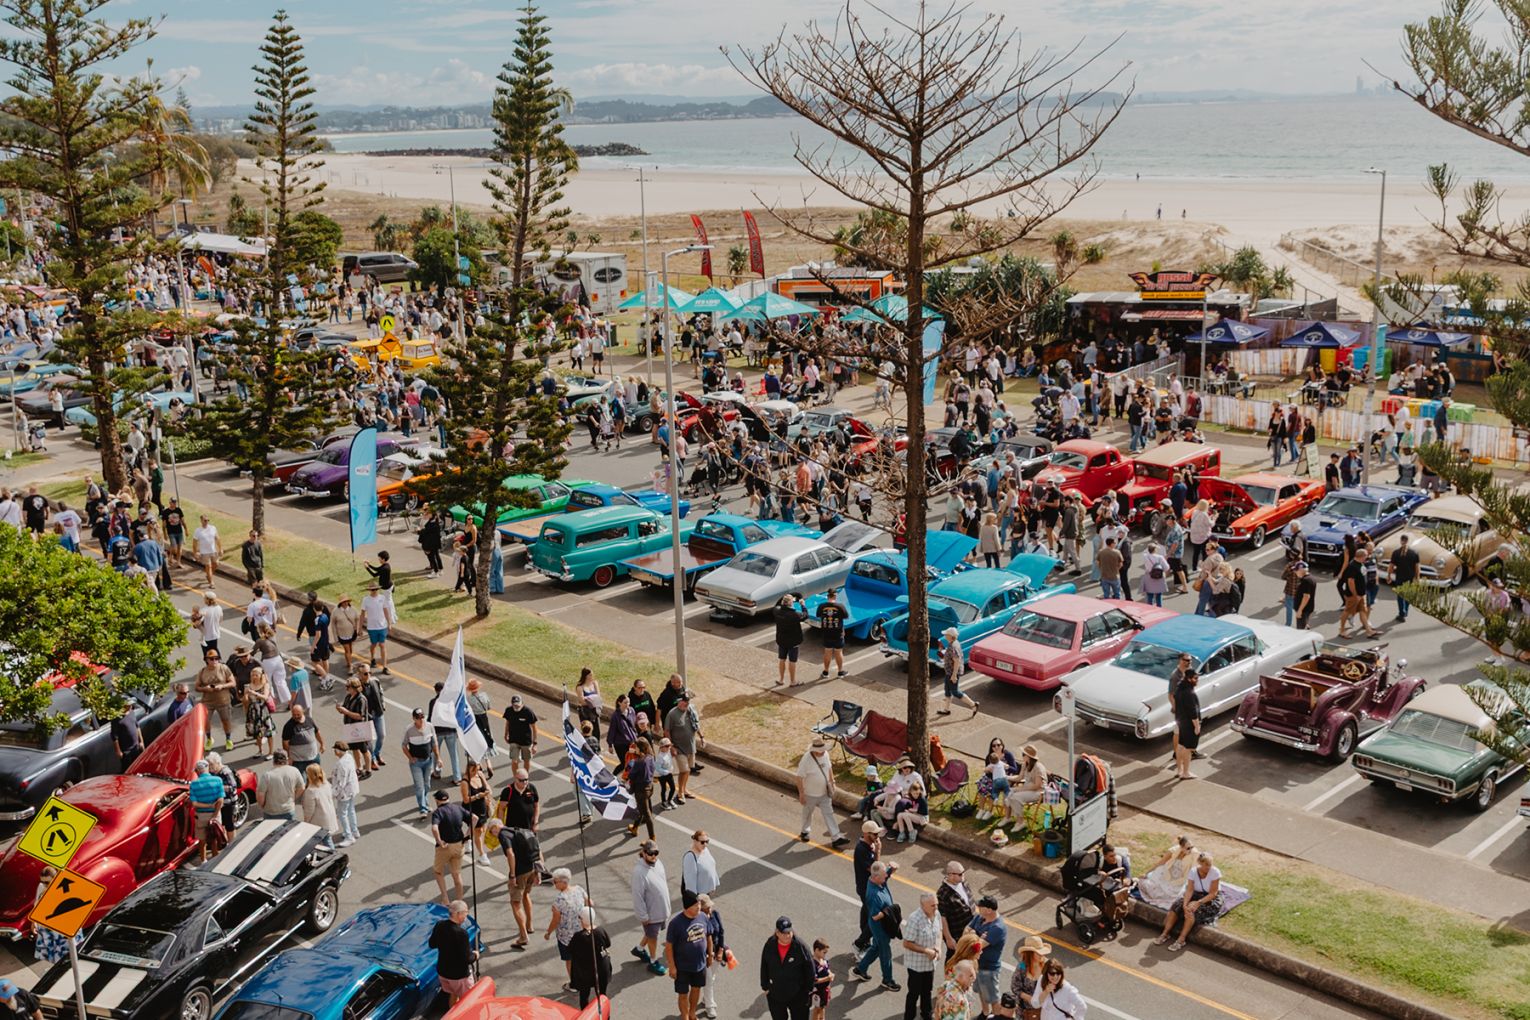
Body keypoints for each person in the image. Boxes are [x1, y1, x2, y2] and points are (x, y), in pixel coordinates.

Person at [488, 818, 541, 949]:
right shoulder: (518, 830)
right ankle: (529, 925)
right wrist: (539, 871)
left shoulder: (503, 834)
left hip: (520, 871)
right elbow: (537, 848)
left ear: (495, 827)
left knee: (515, 903)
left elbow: (510, 854)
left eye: (491, 831)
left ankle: (523, 936)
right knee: (526, 895)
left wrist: (512, 875)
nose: (493, 834)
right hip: (532, 867)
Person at [1155, 852, 1224, 952]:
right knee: (1176, 905)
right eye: (1206, 865)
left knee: (1191, 910)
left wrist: (1198, 902)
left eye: (1210, 864)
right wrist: (1184, 904)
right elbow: (1190, 890)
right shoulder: (1193, 871)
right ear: (1200, 863)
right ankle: (1165, 933)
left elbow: (1213, 893)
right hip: (1196, 894)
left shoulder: (1215, 872)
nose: (1209, 867)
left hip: (1210, 898)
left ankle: (1181, 939)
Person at [851, 861, 901, 992]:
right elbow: (875, 916)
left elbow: (886, 874)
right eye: (884, 875)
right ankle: (887, 980)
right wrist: (889, 911)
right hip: (880, 928)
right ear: (876, 877)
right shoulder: (873, 895)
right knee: (885, 954)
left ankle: (860, 969)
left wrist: (891, 869)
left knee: (876, 948)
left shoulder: (878, 880)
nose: (886, 877)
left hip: (881, 925)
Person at [665, 891, 711, 1020]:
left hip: (700, 965)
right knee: (683, 994)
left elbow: (709, 936)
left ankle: (692, 1012)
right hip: (682, 967)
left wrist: (710, 955)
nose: (699, 907)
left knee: (696, 989)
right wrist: (672, 966)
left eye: (699, 904)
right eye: (695, 905)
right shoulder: (675, 924)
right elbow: (669, 946)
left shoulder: (703, 917)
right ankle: (685, 1016)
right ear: (687, 907)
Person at [795, 737, 849, 847]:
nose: (823, 751)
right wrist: (801, 794)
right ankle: (805, 831)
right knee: (808, 813)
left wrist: (832, 781)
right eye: (821, 750)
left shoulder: (825, 755)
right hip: (810, 793)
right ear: (814, 750)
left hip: (824, 792)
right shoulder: (806, 759)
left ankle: (836, 837)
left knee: (829, 813)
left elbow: (829, 768)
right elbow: (799, 777)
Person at [760, 915, 815, 1020]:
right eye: (784, 933)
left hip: (798, 994)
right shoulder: (770, 945)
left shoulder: (800, 947)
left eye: (789, 932)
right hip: (776, 993)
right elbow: (764, 965)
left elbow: (810, 969)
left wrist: (808, 990)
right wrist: (765, 987)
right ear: (777, 933)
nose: (787, 936)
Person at [631, 840, 670, 975]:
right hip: (651, 913)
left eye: (656, 853)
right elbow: (637, 896)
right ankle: (653, 962)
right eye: (650, 853)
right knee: (653, 936)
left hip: (661, 909)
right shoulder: (639, 872)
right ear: (643, 853)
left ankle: (639, 949)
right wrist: (643, 916)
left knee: (651, 933)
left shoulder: (658, 863)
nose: (654, 856)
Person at [428, 900, 478, 1006]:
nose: (466, 917)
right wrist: (475, 955)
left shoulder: (440, 925)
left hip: (443, 972)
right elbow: (467, 958)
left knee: (453, 993)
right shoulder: (461, 933)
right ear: (458, 914)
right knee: (468, 1001)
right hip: (458, 976)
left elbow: (432, 944)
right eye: (465, 913)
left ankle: (452, 1013)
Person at [545, 867, 590, 983]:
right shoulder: (579, 889)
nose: (554, 884)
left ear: (563, 882)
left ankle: (574, 983)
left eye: (555, 881)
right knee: (581, 958)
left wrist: (548, 932)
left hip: (566, 937)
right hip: (582, 932)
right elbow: (590, 902)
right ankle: (585, 978)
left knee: (569, 960)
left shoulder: (559, 900)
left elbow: (556, 920)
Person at [901, 891, 941, 1020]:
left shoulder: (936, 914)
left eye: (936, 904)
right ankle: (909, 1017)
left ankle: (926, 1015)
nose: (936, 907)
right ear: (923, 905)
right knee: (914, 993)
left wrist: (938, 947)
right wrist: (926, 951)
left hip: (930, 964)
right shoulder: (915, 919)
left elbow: (939, 932)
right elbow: (907, 943)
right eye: (932, 905)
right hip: (916, 966)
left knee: (927, 991)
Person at [966, 894, 1006, 1016]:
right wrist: (975, 936)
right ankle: (985, 1013)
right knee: (981, 992)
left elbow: (976, 947)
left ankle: (997, 1017)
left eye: (981, 907)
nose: (978, 908)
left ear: (989, 910)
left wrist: (972, 934)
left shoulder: (998, 928)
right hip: (977, 965)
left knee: (993, 998)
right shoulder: (980, 917)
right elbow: (966, 930)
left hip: (989, 969)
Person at [430, 789, 471, 905]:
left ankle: (445, 899)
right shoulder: (458, 808)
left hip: (445, 847)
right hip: (459, 845)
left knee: (438, 871)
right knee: (456, 874)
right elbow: (475, 818)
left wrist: (439, 841)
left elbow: (434, 828)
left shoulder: (438, 812)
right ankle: (460, 901)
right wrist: (468, 835)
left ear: (437, 800)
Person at [567, 907, 612, 1010]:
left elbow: (570, 950)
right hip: (601, 969)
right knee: (602, 994)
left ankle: (586, 1013)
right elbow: (608, 944)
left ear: (582, 920)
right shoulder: (601, 930)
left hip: (585, 972)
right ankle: (604, 1012)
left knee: (584, 996)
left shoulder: (578, 937)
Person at [665, 692, 704, 803]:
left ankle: (684, 789)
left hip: (690, 746)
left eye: (687, 701)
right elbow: (667, 731)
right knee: (684, 770)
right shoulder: (672, 714)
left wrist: (702, 737)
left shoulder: (691, 710)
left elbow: (696, 724)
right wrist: (671, 746)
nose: (685, 704)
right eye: (683, 701)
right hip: (679, 748)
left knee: (688, 770)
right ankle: (680, 793)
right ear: (679, 701)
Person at [196, 649, 237, 753]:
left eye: (216, 658)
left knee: (226, 720)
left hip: (223, 700)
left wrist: (222, 686)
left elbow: (233, 683)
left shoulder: (224, 668)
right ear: (206, 660)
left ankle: (228, 739)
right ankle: (209, 739)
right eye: (211, 659)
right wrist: (205, 688)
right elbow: (197, 687)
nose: (214, 661)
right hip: (207, 701)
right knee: (205, 721)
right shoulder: (202, 671)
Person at [697, 893, 728, 1020]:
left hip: (717, 952)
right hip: (704, 955)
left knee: (712, 977)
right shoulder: (697, 921)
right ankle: (710, 1006)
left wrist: (720, 950)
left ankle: (706, 998)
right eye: (706, 908)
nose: (709, 909)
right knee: (708, 979)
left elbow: (721, 932)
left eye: (709, 907)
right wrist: (708, 954)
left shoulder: (715, 914)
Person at [188, 759, 225, 861]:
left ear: (197, 771)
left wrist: (207, 805)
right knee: (214, 838)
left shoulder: (193, 784)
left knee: (202, 839)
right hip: (215, 815)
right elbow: (220, 800)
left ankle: (203, 860)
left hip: (200, 816)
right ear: (208, 768)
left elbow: (194, 804)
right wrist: (214, 815)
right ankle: (215, 859)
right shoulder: (218, 780)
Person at [937, 628, 979, 717]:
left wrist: (954, 675)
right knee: (947, 690)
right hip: (949, 671)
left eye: (946, 634)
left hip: (952, 672)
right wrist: (943, 654)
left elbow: (956, 661)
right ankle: (946, 709)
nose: (945, 636)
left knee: (955, 691)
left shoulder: (953, 646)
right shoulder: (953, 643)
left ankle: (973, 704)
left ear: (951, 636)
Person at [403, 708, 437, 814]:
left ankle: (424, 801)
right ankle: (423, 808)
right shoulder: (409, 730)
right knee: (419, 785)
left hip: (428, 761)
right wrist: (410, 758)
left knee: (427, 784)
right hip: (416, 763)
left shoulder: (429, 726)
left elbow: (434, 743)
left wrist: (438, 758)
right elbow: (404, 745)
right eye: (418, 718)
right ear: (414, 719)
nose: (421, 720)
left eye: (422, 717)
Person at [1009, 935, 1051, 1020]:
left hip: (1044, 1009)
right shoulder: (1022, 966)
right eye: (1038, 953)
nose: (1041, 955)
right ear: (1030, 953)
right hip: (1025, 1010)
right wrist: (1031, 999)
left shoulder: (1048, 965)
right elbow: (1015, 987)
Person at [461, 759, 493, 864]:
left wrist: (488, 792)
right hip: (471, 808)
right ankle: (482, 855)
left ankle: (467, 839)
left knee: (480, 829)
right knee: (478, 831)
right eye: (473, 771)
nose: (475, 773)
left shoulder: (480, 774)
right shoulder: (465, 782)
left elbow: (486, 786)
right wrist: (479, 796)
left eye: (477, 769)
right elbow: (466, 799)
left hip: (482, 807)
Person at [257, 749, 305, 820]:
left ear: (274, 760)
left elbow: (261, 795)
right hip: (288, 810)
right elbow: (302, 788)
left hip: (271, 812)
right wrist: (293, 798)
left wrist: (262, 806)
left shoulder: (267, 775)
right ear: (286, 759)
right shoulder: (294, 771)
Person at [300, 763, 339, 848]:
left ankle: (333, 854)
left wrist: (306, 822)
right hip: (329, 816)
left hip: (319, 821)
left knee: (325, 841)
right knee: (327, 839)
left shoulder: (310, 791)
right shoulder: (326, 784)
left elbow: (309, 811)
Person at [329, 742, 360, 847]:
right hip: (352, 790)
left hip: (344, 793)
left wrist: (332, 794)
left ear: (338, 750)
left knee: (342, 814)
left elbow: (341, 783)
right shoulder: (349, 757)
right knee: (351, 810)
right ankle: (354, 831)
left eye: (335, 749)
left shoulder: (341, 764)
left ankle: (349, 837)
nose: (334, 751)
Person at [774, 594, 808, 687]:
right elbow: (805, 615)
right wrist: (803, 605)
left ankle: (781, 679)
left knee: (782, 659)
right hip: (793, 641)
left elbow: (778, 607)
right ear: (790, 603)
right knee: (792, 661)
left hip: (781, 640)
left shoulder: (777, 611)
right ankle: (793, 681)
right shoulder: (795, 614)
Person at [1173, 670, 1202, 780]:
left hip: (1181, 721)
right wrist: (1197, 726)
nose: (1197, 680)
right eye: (1195, 678)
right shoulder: (1189, 693)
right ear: (1189, 679)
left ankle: (1179, 770)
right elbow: (1193, 711)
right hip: (1189, 724)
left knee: (1180, 746)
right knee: (1188, 748)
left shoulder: (1179, 689)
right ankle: (1186, 773)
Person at [361, 582, 395, 674]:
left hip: (382, 626)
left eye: (376, 589)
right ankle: (372, 658)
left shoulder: (382, 598)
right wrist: (359, 628)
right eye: (373, 589)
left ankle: (385, 667)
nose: (374, 591)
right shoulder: (366, 600)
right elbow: (362, 614)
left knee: (382, 645)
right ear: (369, 590)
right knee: (374, 644)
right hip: (372, 627)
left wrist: (389, 623)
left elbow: (386, 611)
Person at [1388, 532, 1421, 622]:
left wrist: (1389, 576)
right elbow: (1417, 567)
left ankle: (1402, 613)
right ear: (1408, 541)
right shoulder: (1414, 553)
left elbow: (1391, 566)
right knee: (1407, 595)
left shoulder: (1396, 553)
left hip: (1400, 577)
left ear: (1401, 541)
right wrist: (1417, 578)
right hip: (1410, 577)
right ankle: (1405, 610)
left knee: (1400, 595)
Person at [816, 588, 848, 679]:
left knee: (827, 651)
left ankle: (826, 672)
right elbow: (846, 617)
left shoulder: (821, 606)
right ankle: (840, 672)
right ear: (835, 596)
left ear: (827, 596)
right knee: (838, 652)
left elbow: (818, 615)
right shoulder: (840, 606)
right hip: (838, 633)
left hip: (826, 633)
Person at [244, 667, 276, 759]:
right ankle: (260, 750)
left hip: (263, 710)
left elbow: (265, 697)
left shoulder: (265, 685)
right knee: (257, 732)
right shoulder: (249, 686)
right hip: (253, 710)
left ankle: (271, 752)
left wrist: (254, 693)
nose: (254, 677)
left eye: (256, 675)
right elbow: (246, 701)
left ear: (261, 675)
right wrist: (245, 695)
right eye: (252, 675)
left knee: (268, 732)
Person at [282, 703, 324, 771]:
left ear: (303, 712)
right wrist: (288, 757)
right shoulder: (288, 726)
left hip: (314, 757)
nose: (296, 716)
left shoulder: (309, 720)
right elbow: (285, 743)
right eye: (294, 715)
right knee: (300, 778)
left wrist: (322, 744)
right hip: (298, 761)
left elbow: (317, 732)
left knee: (316, 777)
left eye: (298, 714)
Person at [682, 829, 720, 899]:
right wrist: (695, 898)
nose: (705, 844)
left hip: (707, 892)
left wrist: (713, 885)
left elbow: (711, 865)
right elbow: (690, 880)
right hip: (699, 896)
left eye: (707, 841)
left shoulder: (705, 850)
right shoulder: (690, 857)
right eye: (702, 842)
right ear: (695, 841)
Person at [500, 767, 542, 831]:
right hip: (513, 830)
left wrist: (536, 822)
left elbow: (536, 806)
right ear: (515, 779)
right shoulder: (507, 791)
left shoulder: (531, 788)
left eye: (526, 779)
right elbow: (501, 809)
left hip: (529, 829)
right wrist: (501, 826)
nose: (525, 782)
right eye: (521, 780)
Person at [502, 694, 538, 769]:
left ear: (522, 703)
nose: (516, 707)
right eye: (514, 705)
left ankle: (526, 775)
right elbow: (507, 723)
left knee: (526, 760)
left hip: (526, 741)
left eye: (518, 705)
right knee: (514, 761)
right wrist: (505, 735)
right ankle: (516, 776)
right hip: (513, 740)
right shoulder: (509, 710)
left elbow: (534, 728)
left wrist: (535, 743)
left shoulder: (528, 712)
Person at [110, 703, 144, 771]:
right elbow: (114, 736)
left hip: (136, 747)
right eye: (128, 706)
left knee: (139, 767)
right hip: (126, 751)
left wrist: (141, 741)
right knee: (129, 769)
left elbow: (137, 727)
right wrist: (118, 751)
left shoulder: (131, 713)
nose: (130, 707)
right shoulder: (116, 719)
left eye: (130, 705)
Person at [189, 591, 224, 658]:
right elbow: (221, 619)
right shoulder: (219, 608)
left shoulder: (204, 610)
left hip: (206, 636)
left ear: (207, 600)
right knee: (215, 650)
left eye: (204, 598)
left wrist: (194, 623)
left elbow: (197, 624)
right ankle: (219, 662)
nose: (204, 600)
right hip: (215, 634)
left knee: (208, 656)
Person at [192, 514, 221, 587]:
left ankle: (208, 575)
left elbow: (217, 538)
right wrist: (195, 553)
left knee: (216, 564)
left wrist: (220, 548)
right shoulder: (198, 531)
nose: (206, 522)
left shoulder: (213, 528)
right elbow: (194, 543)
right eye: (205, 520)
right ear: (201, 521)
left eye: (208, 520)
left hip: (213, 550)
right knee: (208, 566)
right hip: (204, 552)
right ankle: (211, 582)